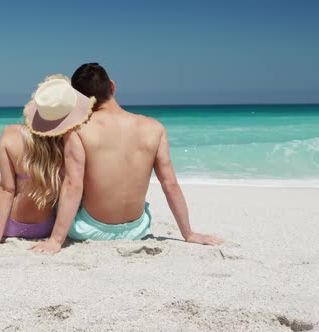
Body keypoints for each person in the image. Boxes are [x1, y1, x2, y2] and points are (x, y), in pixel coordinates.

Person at [30, 63, 223, 254]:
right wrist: (188, 234)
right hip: (137, 229)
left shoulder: (77, 131)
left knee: (62, 179)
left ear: (79, 99)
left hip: (89, 229)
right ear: (112, 86)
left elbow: (73, 185)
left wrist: (55, 241)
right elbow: (170, 184)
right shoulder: (155, 128)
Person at [0, 74, 95, 243]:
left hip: (8, 225)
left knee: (6, 178)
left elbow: (7, 190)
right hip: (44, 226)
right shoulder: (71, 142)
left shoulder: (10, 134)